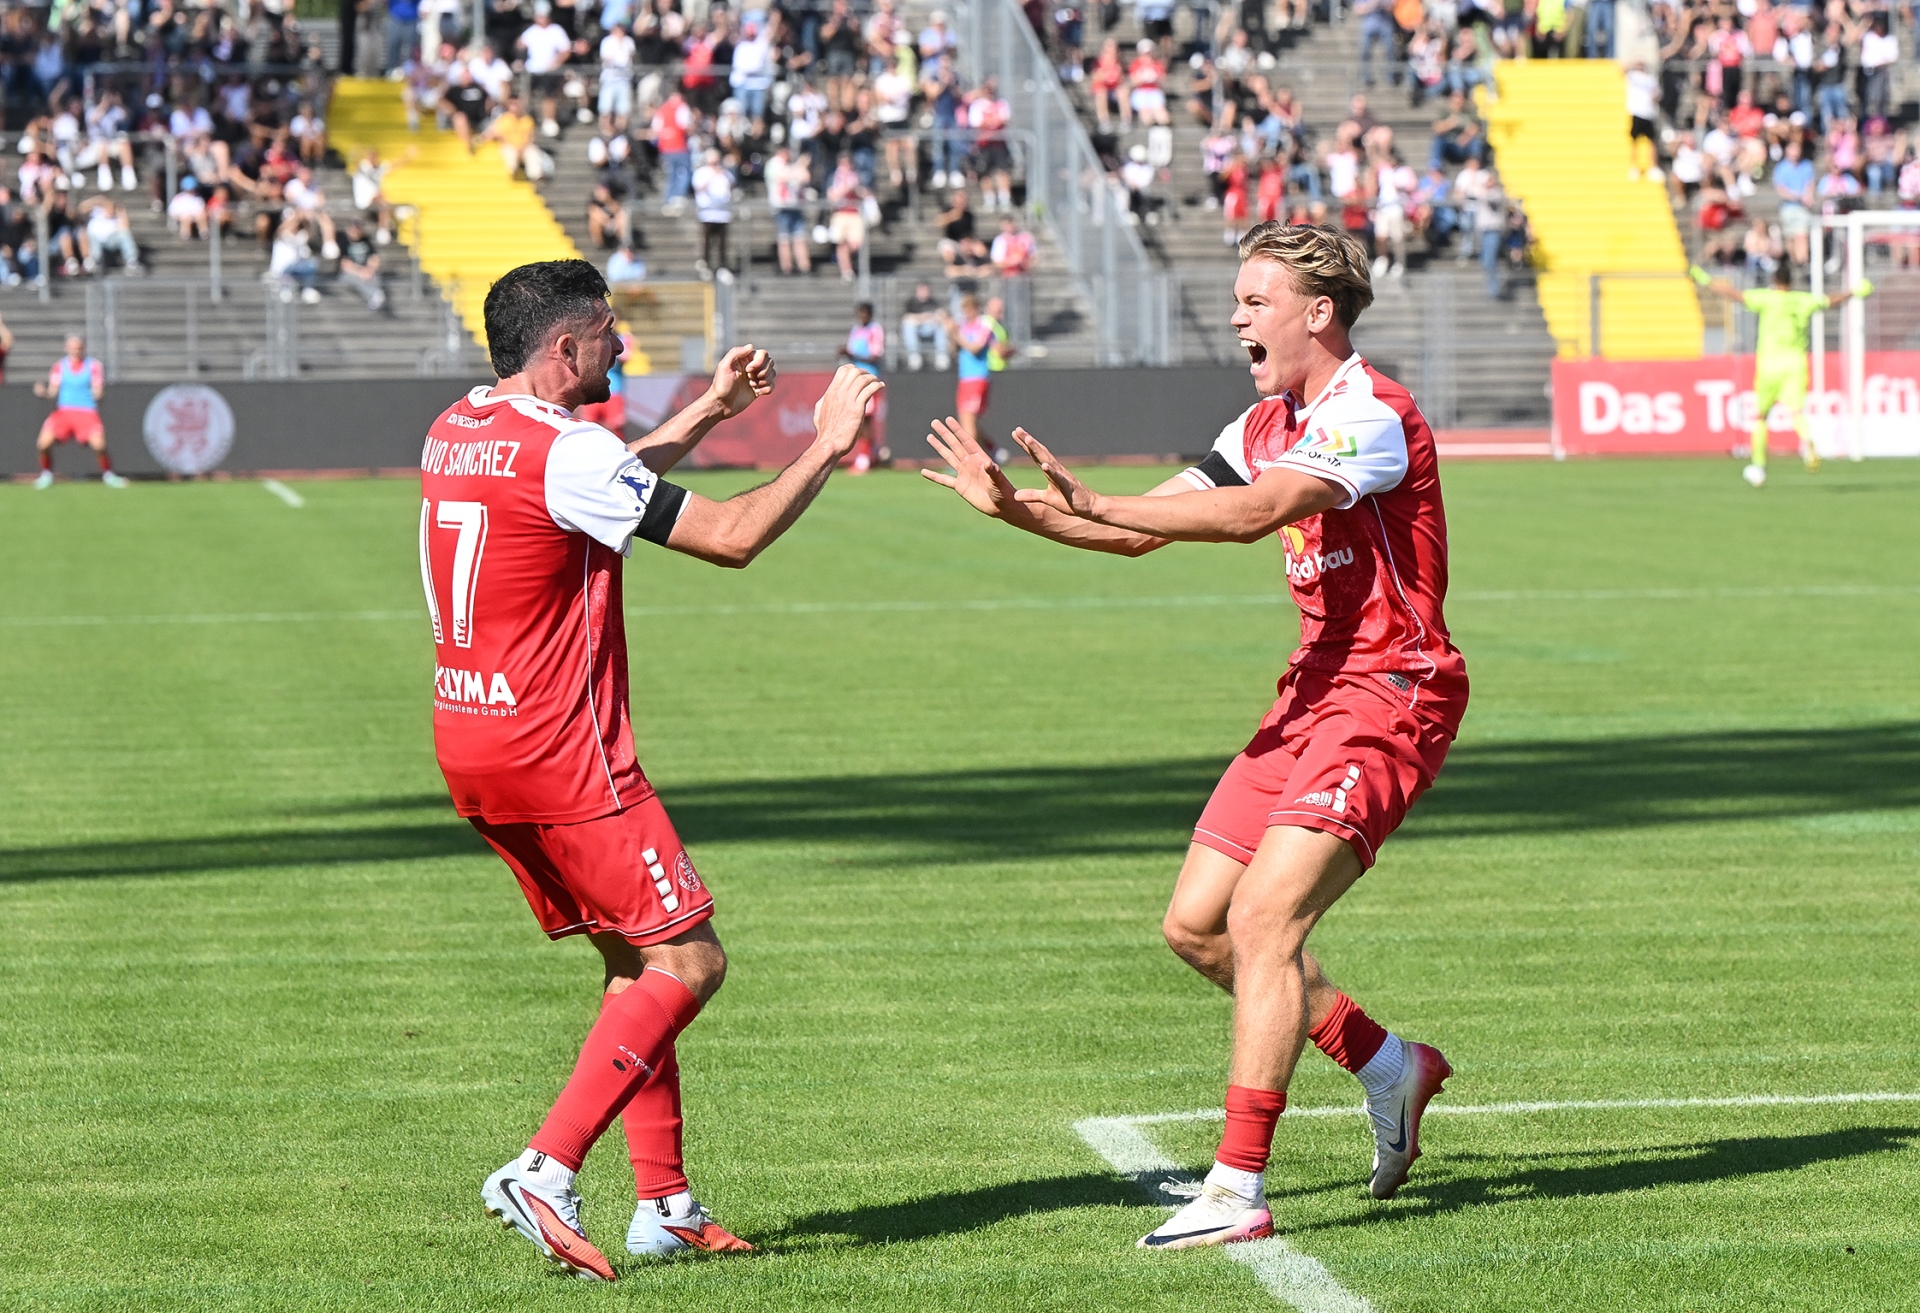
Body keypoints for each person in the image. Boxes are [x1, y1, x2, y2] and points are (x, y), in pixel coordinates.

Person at [921, 223, 1465, 1248]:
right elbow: (1135, 530)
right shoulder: (1260, 422)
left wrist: (1094, 496)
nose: (1236, 316)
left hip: (1392, 691)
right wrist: (1015, 511)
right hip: (1310, 694)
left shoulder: (1371, 413)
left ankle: (1236, 1187)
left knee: (1264, 917)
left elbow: (1261, 512)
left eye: (1256, 300)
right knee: (1198, 924)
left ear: (1318, 314)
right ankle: (1392, 1066)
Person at [431, 261, 884, 1279]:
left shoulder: (461, 424)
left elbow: (596, 477)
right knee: (690, 961)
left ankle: (664, 1202)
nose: (621, 344)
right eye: (607, 329)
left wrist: (711, 409)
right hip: (564, 753)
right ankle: (544, 1167)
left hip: (473, 736)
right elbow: (730, 536)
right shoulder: (568, 449)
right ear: (564, 347)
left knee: (638, 966)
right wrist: (827, 442)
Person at [1691, 262, 1871, 485]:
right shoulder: (1803, 300)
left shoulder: (1767, 298)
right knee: (1796, 412)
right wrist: (1854, 291)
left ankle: (1759, 467)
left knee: (1761, 417)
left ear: (1774, 281)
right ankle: (1807, 441)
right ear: (1790, 282)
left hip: (1769, 364)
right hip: (1795, 364)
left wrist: (1705, 280)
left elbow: (1733, 293)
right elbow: (1830, 301)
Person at [33, 335, 128, 489]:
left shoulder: (93, 366)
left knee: (99, 445)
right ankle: (46, 474)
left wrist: (98, 393)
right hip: (64, 411)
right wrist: (43, 392)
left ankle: (109, 475)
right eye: (73, 348)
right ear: (67, 348)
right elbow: (52, 391)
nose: (76, 351)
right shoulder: (59, 366)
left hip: (86, 411)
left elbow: (98, 389)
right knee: (43, 444)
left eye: (79, 348)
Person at [946, 292, 996, 450]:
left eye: (968, 309)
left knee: (968, 420)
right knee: (966, 421)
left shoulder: (984, 325)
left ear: (976, 308)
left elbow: (975, 348)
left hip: (978, 377)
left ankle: (971, 456)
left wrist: (956, 335)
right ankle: (993, 449)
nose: (966, 314)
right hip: (965, 378)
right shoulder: (963, 327)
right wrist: (950, 334)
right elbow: (954, 350)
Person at [839, 301, 885, 471]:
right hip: (857, 379)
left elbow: (875, 356)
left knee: (865, 419)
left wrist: (852, 354)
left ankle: (865, 457)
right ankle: (874, 452)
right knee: (858, 418)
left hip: (870, 379)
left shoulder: (875, 330)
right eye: (860, 313)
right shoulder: (856, 330)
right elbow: (853, 353)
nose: (862, 316)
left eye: (864, 313)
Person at [766, 144, 812, 276]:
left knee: (799, 237)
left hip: (795, 206)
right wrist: (799, 165)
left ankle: (804, 267)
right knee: (784, 238)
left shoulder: (790, 165)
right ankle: (786, 267)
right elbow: (783, 177)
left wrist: (800, 167)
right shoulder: (774, 164)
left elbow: (805, 177)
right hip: (782, 207)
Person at [692, 149, 733, 280]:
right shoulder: (701, 173)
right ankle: (706, 265)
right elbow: (698, 187)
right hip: (707, 212)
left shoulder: (724, 173)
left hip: (723, 212)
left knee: (722, 242)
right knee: (706, 241)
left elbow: (731, 185)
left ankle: (722, 266)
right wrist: (712, 176)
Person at [338, 219, 387, 311]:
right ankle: (374, 294)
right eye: (353, 229)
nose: (355, 231)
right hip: (349, 273)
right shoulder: (344, 241)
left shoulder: (366, 240)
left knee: (374, 277)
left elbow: (374, 258)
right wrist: (360, 271)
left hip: (365, 270)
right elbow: (345, 264)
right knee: (357, 278)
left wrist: (369, 269)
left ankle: (376, 295)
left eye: (357, 229)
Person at [899, 281, 947, 370]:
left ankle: (941, 355)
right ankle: (914, 356)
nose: (924, 293)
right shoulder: (910, 303)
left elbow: (941, 315)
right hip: (916, 329)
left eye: (926, 290)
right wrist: (923, 317)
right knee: (908, 325)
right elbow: (906, 317)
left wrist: (935, 317)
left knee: (941, 326)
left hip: (930, 329)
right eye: (922, 290)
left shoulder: (933, 302)